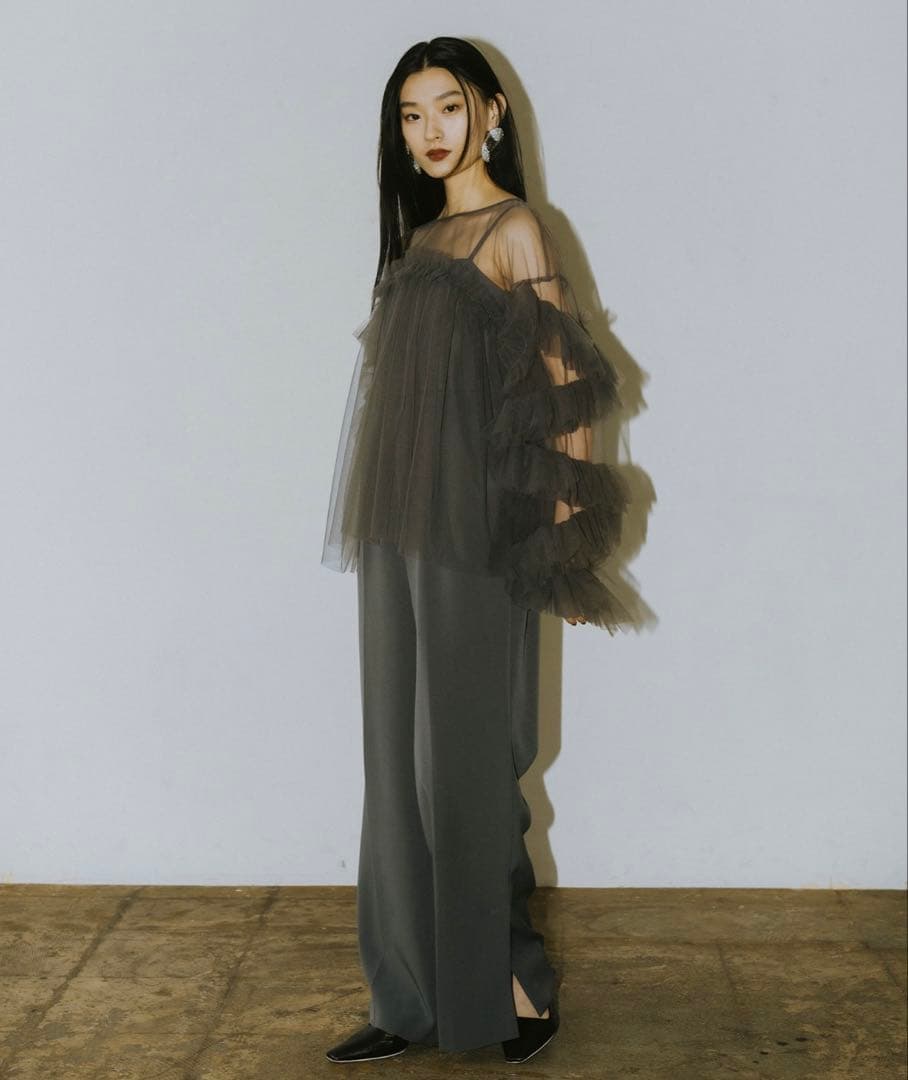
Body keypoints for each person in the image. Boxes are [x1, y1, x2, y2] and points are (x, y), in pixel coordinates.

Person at [320, 36, 630, 1065]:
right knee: (394, 766)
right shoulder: (417, 245)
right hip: (396, 530)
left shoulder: (515, 229)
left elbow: (566, 387)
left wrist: (566, 543)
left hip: (477, 531)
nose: (430, 132)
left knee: (466, 762)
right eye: (411, 115)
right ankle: (407, 994)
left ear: (491, 112)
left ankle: (513, 986)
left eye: (448, 107)